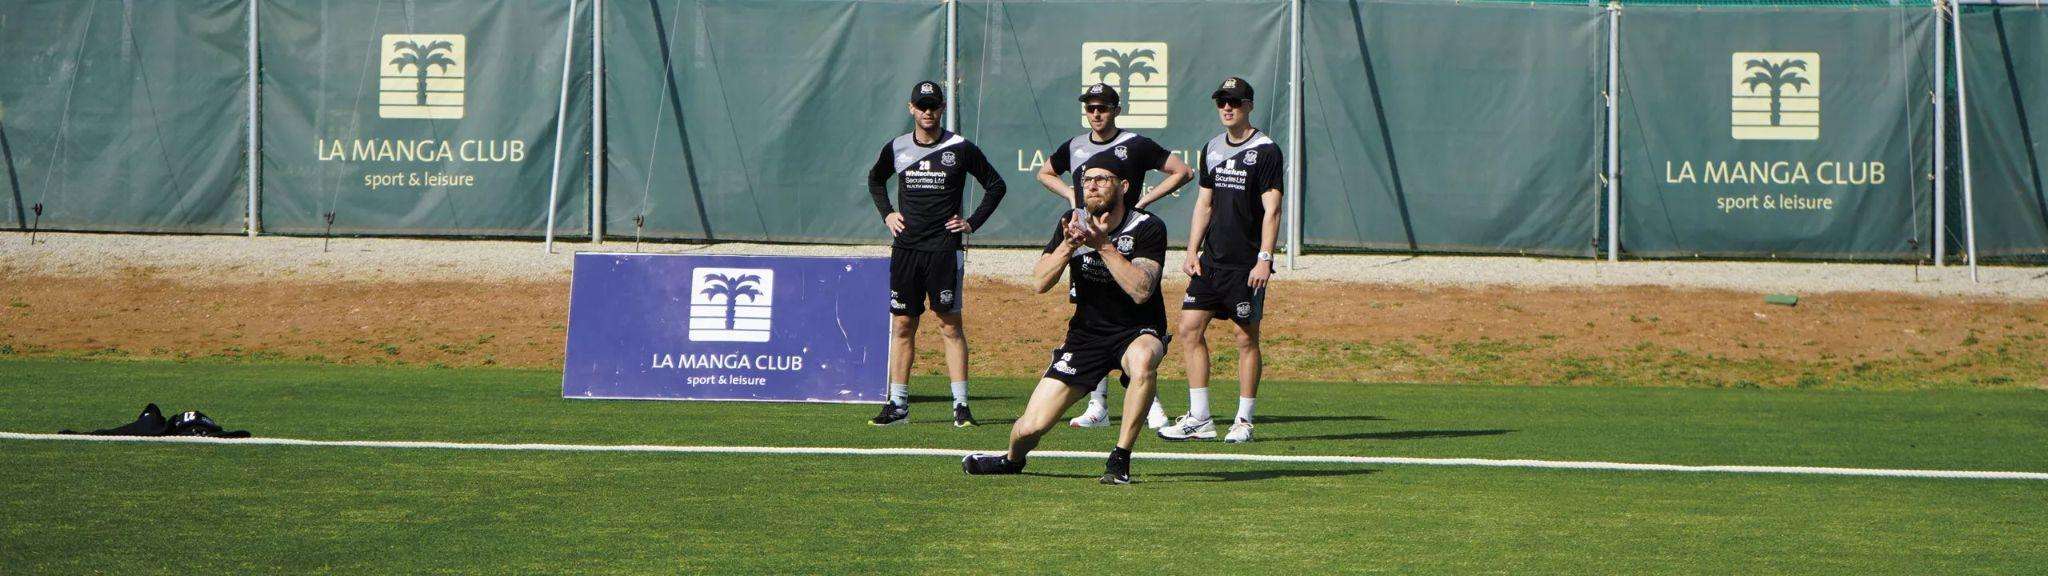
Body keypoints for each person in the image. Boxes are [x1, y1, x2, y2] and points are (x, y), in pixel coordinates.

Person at [963, 165, 1169, 485]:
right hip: (1087, 336)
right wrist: (1069, 245)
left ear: (1124, 186)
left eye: (1102, 179)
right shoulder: (1070, 223)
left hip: (1137, 329)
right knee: (1029, 428)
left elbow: (1142, 291)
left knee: (1143, 360)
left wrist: (1102, 246)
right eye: (1087, 180)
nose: (1092, 186)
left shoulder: (1147, 226)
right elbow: (1039, 282)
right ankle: (1011, 460)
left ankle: (1119, 459)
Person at [1035, 82, 1193, 430]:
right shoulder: (1074, 145)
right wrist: (1072, 198)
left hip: (1127, 239)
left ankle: (1149, 402)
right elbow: (1044, 172)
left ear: (1115, 110)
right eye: (1090, 107)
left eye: (1103, 107)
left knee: (1135, 318)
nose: (1096, 114)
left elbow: (1184, 171)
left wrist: (1145, 202)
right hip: (1085, 237)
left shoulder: (1136, 144)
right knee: (1092, 315)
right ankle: (1098, 405)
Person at [864, 80, 1007, 427]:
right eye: (921, 106)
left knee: (949, 325)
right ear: (910, 108)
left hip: (944, 251)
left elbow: (995, 185)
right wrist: (887, 213)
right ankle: (898, 405)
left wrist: (971, 223)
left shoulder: (959, 148)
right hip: (907, 250)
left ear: (942, 109)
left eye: (934, 106)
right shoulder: (896, 147)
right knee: (902, 325)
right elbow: (875, 179)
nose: (928, 112)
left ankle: (961, 406)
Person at [1158, 77, 1283, 444]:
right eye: (1221, 102)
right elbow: (1204, 203)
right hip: (1210, 263)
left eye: (1235, 102)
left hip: (1246, 265)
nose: (1227, 108)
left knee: (1246, 339)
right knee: (1188, 329)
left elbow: (1272, 210)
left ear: (1249, 106)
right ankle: (1200, 417)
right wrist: (1191, 251)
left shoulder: (1266, 150)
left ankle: (1243, 420)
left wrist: (1264, 259)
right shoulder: (1211, 148)